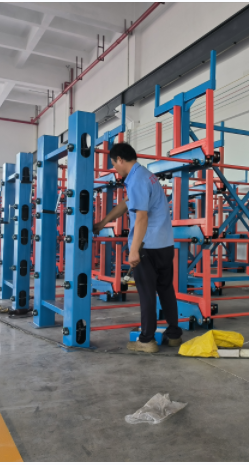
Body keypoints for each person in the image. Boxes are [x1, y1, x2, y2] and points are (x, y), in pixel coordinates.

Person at [93, 142, 183, 353]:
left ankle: (146, 340)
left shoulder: (136, 180)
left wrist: (134, 250)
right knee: (166, 289)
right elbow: (126, 203)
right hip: (164, 244)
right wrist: (103, 222)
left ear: (120, 160)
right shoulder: (145, 176)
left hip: (147, 246)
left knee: (147, 293)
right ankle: (174, 335)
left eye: (114, 163)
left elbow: (141, 217)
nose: (115, 168)